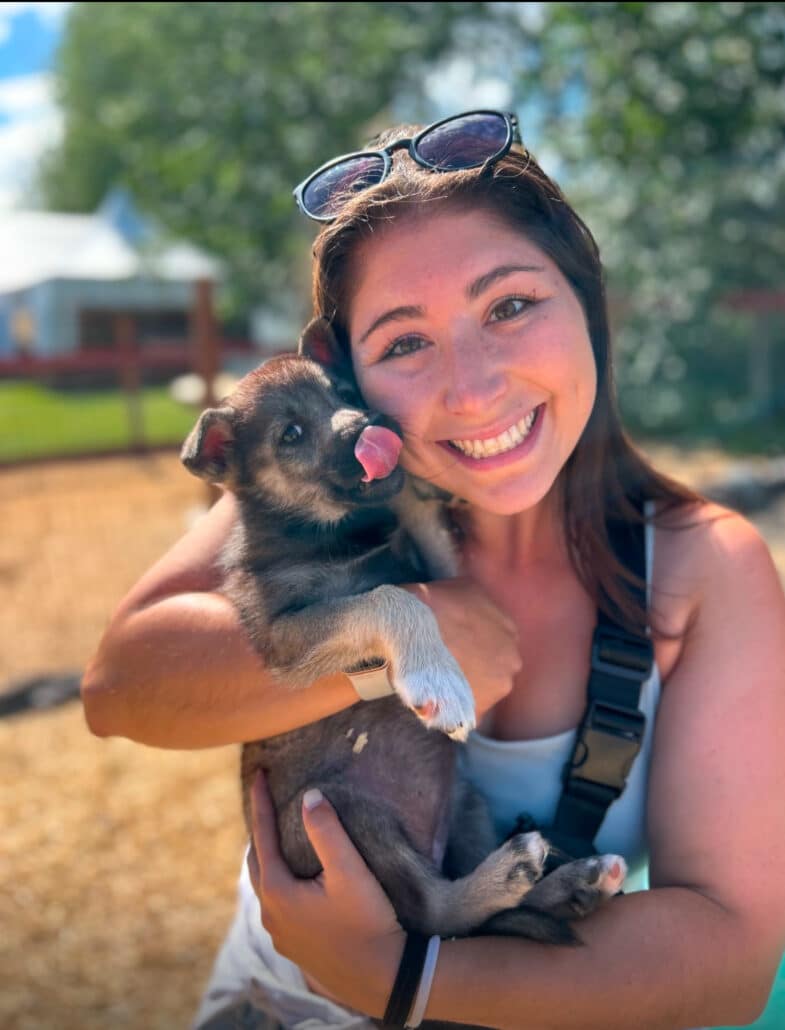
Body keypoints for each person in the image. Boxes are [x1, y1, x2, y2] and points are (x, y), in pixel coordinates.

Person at [82, 110, 785, 1030]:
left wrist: (399, 976)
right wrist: (398, 631)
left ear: (589, 305)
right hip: (265, 1003)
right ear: (347, 380)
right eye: (404, 342)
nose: (472, 385)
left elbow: (731, 959)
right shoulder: (332, 493)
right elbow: (118, 686)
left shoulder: (707, 568)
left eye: (510, 305)